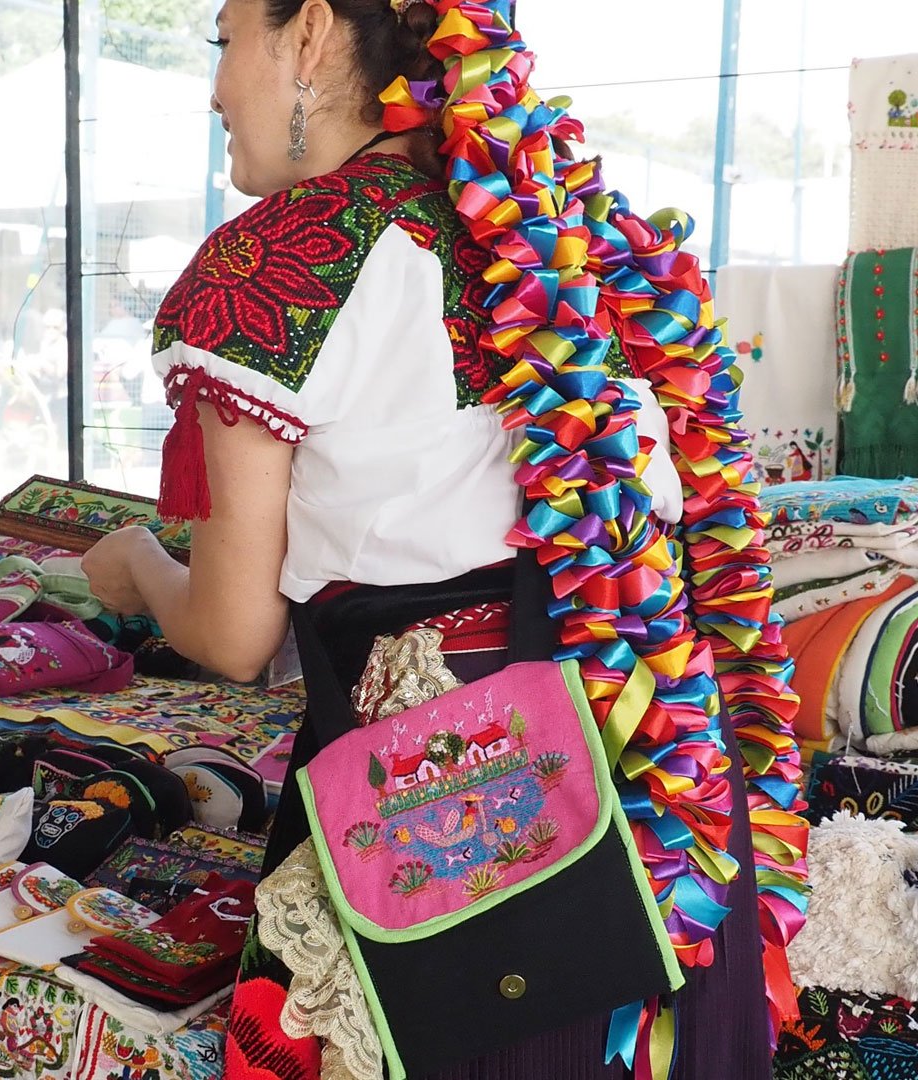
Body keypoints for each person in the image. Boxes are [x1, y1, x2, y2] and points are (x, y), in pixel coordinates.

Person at [81, 0, 808, 1077]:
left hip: (448, 811)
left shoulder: (272, 265)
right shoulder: (557, 232)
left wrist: (137, 569)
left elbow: (233, 636)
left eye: (223, 40)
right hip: (649, 772)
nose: (215, 87)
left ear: (312, 34)